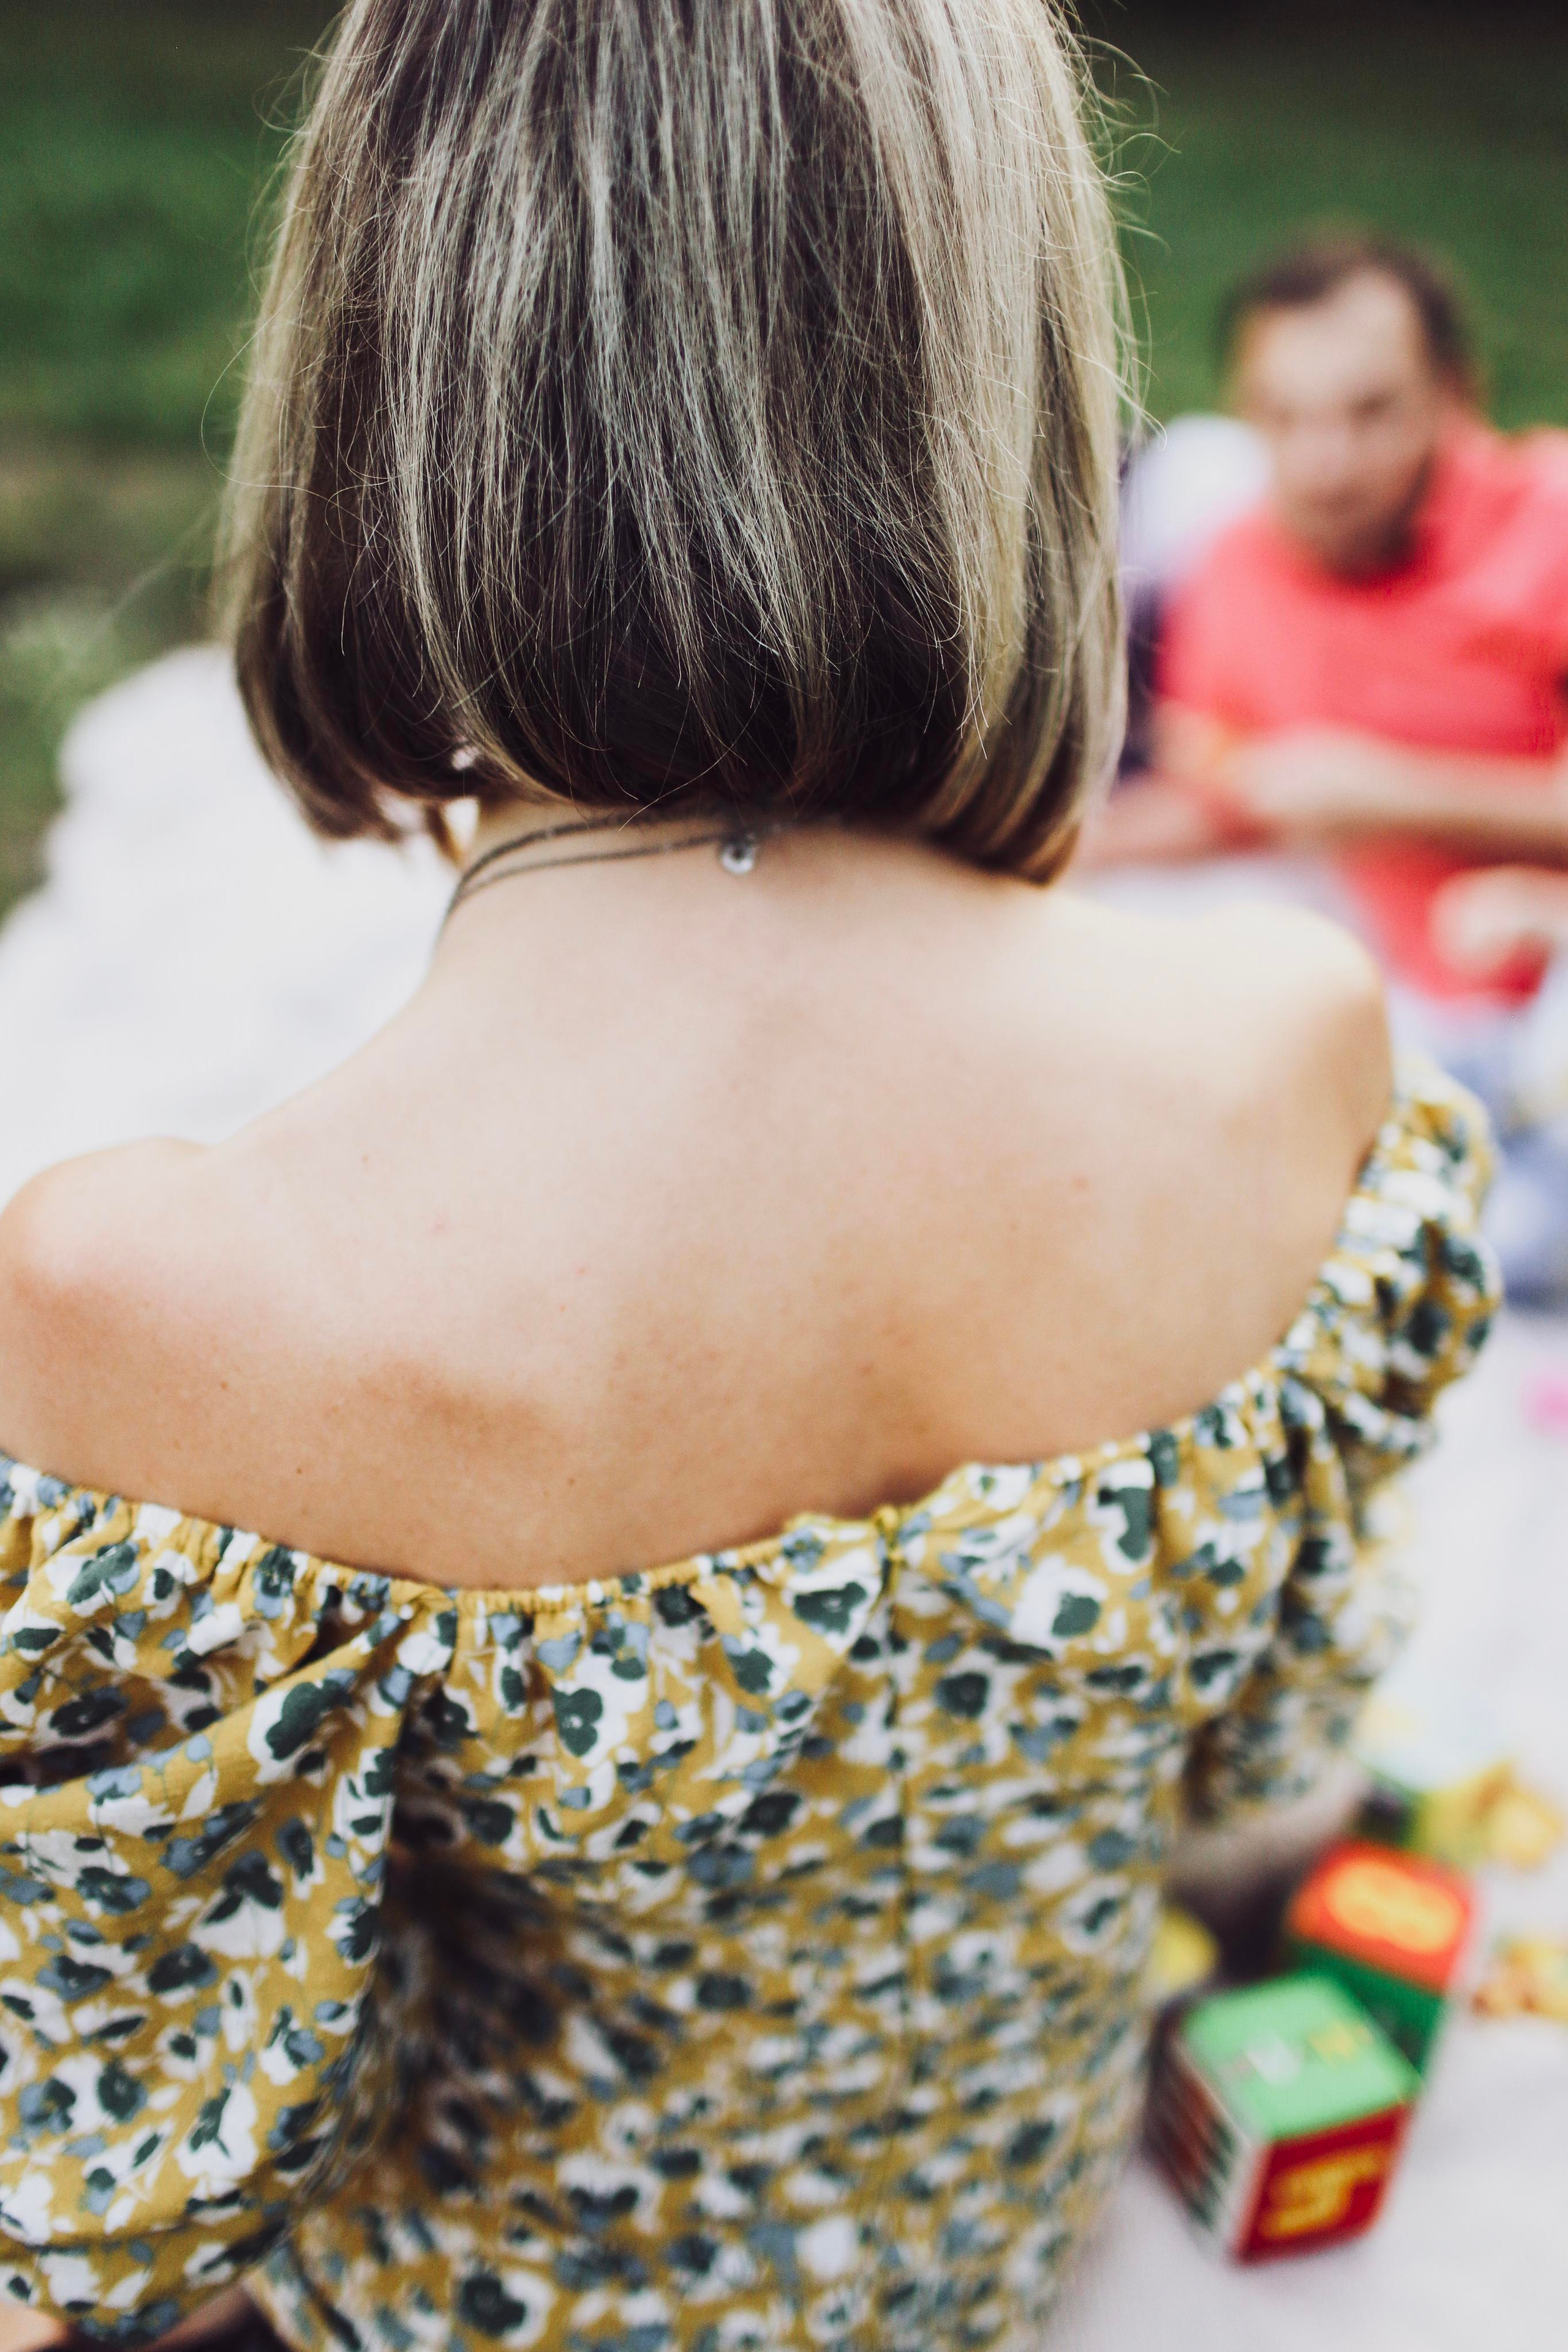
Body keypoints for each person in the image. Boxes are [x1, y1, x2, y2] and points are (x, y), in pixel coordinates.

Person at [0, 12, 1494, 2352]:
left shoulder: (149, 1299)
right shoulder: (1291, 1052)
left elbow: (146, 2193)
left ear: (388, 380)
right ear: (1010, 376)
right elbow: (1268, 1789)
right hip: (993, 2253)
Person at [1090, 233, 1568, 1296]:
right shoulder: (1240, 569)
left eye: (1371, 412)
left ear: (1458, 397)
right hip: (1434, 1028)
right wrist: (1054, 851)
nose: (1325, 464)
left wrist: (1386, 791)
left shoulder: (1552, 522)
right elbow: (1231, 796)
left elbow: (1332, 790)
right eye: (1284, 417)